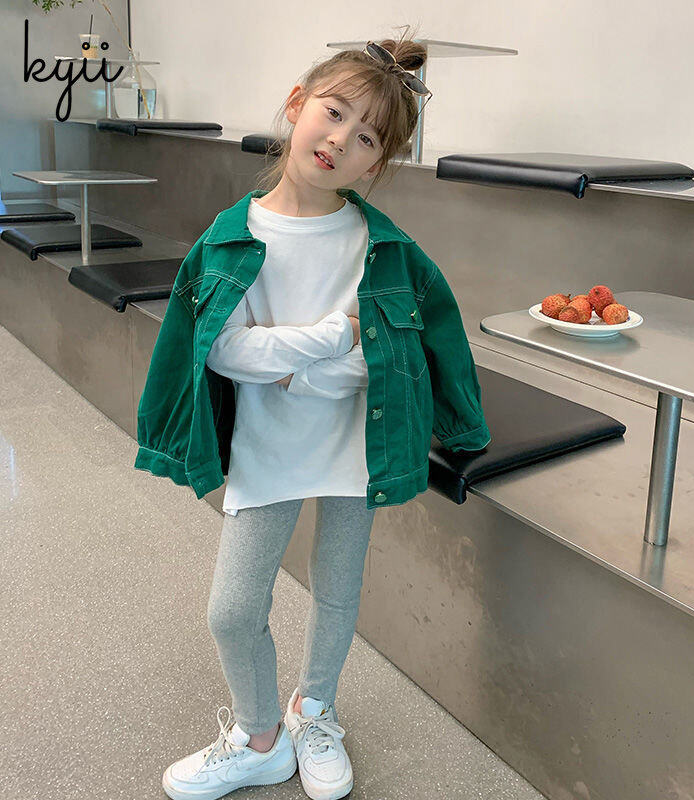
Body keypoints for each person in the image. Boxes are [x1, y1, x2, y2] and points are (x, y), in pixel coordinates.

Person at [150, 24, 490, 800]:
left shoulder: (380, 246)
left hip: (354, 446)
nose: (340, 139)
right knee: (233, 610)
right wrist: (333, 336)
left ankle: (314, 711)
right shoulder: (232, 236)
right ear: (297, 103)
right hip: (267, 448)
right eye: (333, 113)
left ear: (379, 163)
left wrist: (296, 371)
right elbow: (223, 350)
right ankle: (259, 737)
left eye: (366, 136)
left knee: (338, 593)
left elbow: (395, 357)